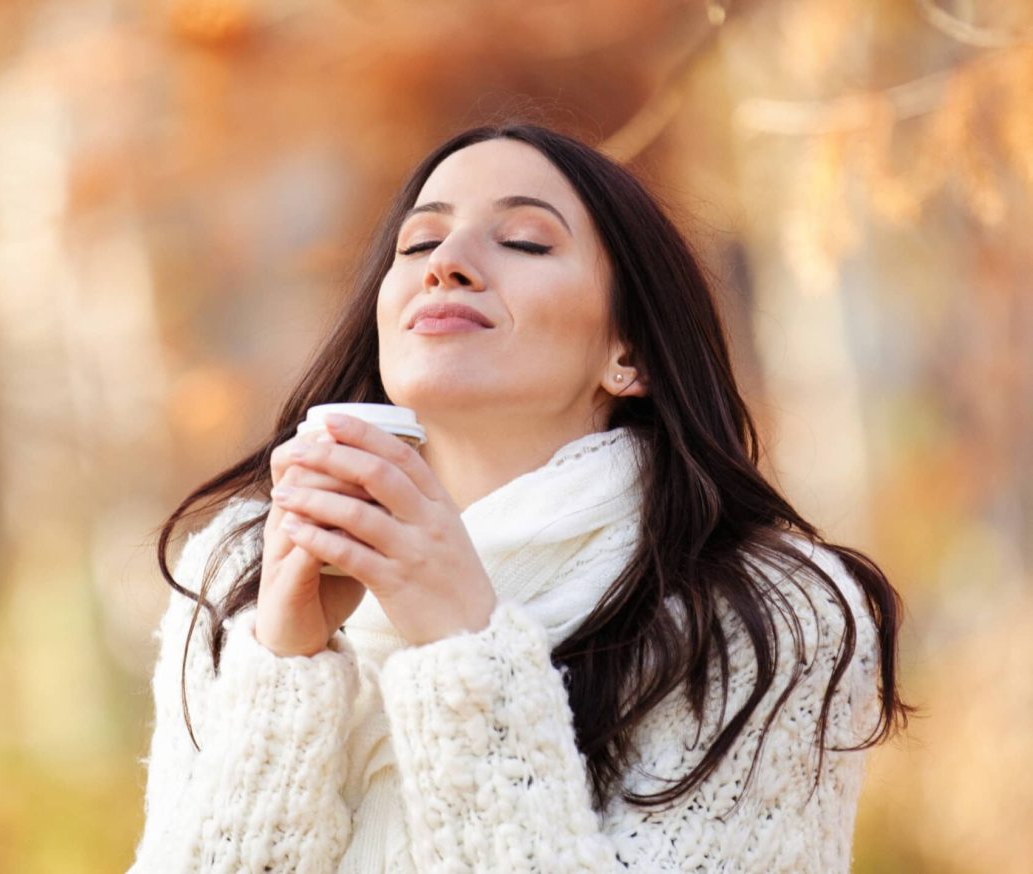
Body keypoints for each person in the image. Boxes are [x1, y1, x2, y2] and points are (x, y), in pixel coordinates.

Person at [128, 122, 914, 872]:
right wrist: (283, 666)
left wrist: (461, 645)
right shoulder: (237, 567)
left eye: (524, 242)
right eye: (420, 242)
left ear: (629, 352)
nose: (448, 262)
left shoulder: (764, 611)